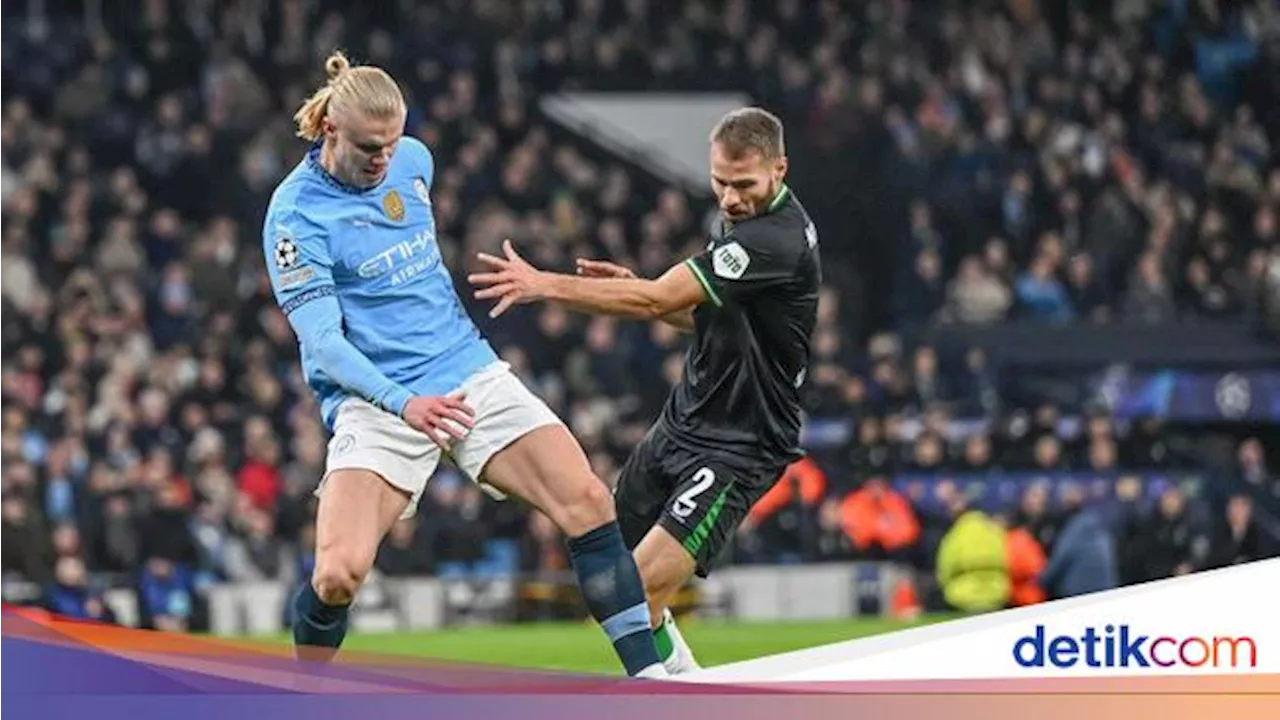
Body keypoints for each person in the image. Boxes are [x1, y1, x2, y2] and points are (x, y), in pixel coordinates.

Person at [263, 51, 666, 678]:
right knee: (337, 575)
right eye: (370, 147)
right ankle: (300, 691)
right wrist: (404, 402)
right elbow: (323, 343)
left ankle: (652, 685)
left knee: (588, 500)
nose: (383, 160)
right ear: (329, 132)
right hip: (380, 402)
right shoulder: (294, 216)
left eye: (392, 145)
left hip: (465, 371)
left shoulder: (414, 163)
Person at [469, 107, 820, 674]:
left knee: (639, 591)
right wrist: (642, 289)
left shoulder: (775, 239)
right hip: (684, 422)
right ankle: (688, 683)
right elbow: (697, 316)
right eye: (720, 182)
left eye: (745, 185)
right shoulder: (733, 222)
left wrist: (546, 285)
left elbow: (662, 301)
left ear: (779, 169)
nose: (729, 198)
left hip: (741, 442)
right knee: (609, 574)